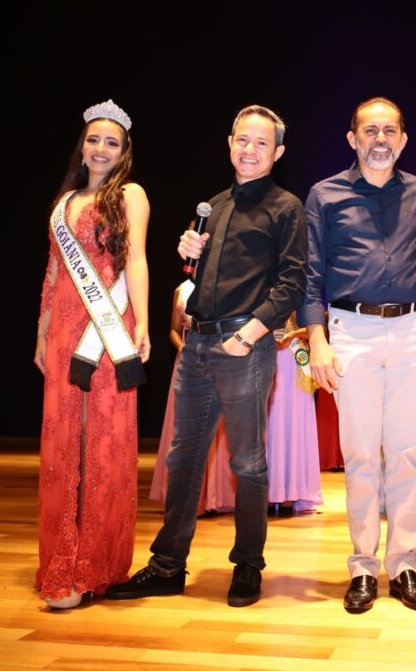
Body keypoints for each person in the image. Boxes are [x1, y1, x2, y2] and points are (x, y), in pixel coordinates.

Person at [107, 105, 306, 608]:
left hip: (245, 346)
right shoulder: (213, 207)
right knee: (181, 457)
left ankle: (247, 567)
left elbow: (292, 283)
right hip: (196, 344)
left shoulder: (286, 207)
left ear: (278, 152)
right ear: (229, 142)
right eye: (242, 139)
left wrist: (251, 334)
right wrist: (188, 256)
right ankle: (168, 565)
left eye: (261, 143)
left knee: (248, 462)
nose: (249, 149)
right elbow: (199, 281)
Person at [301, 97, 416, 614]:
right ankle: (362, 566)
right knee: (360, 456)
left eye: (390, 131)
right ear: (352, 138)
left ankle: (403, 566)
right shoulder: (324, 195)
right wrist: (316, 338)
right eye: (369, 130)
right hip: (350, 332)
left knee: (405, 454)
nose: (380, 139)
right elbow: (312, 273)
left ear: (403, 139)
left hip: (409, 331)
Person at [33, 99, 151, 609]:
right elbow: (55, 272)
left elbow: (137, 259)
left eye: (112, 142)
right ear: (82, 144)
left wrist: (144, 320)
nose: (101, 148)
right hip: (63, 332)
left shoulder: (129, 194)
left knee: (102, 441)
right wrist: (41, 332)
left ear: (124, 151)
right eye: (94, 139)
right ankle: (61, 559)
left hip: (107, 330)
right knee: (64, 443)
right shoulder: (64, 202)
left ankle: (93, 567)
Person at [150, 279, 236, 515]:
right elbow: (173, 330)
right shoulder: (181, 289)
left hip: (218, 357)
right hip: (188, 359)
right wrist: (184, 349)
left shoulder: (225, 282)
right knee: (185, 428)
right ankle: (186, 499)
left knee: (216, 428)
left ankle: (215, 497)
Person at [266, 311, 323, 514]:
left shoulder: (300, 291)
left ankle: (296, 490)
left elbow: (316, 328)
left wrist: (292, 335)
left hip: (293, 358)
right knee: (272, 424)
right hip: (267, 355)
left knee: (295, 424)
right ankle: (270, 491)